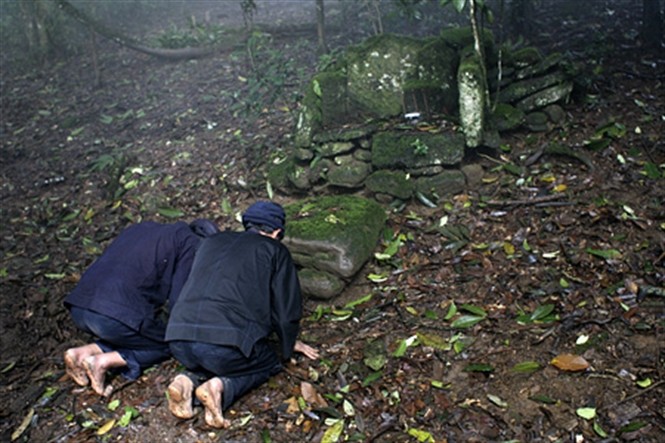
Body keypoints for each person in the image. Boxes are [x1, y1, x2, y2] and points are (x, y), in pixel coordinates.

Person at [165, 201, 319, 428]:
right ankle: (218, 388)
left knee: (208, 357)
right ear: (277, 231)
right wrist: (286, 348)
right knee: (268, 361)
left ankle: (186, 381)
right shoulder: (274, 250)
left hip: (178, 341)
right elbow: (286, 311)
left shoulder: (210, 242)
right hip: (223, 347)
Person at [63, 219, 219, 396]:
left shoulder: (143, 227)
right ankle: (102, 361)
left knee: (134, 334)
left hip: (79, 306)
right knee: (169, 344)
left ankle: (81, 353)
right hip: (110, 317)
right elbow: (179, 302)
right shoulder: (192, 244)